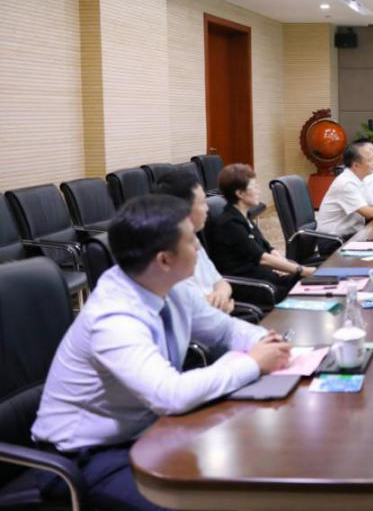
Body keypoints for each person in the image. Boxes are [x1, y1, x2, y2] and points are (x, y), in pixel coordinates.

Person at [32, 194, 292, 511]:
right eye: (191, 241)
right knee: (206, 501)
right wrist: (252, 362)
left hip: (147, 431)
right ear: (164, 260)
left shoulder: (169, 286)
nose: (199, 248)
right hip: (83, 458)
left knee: (248, 462)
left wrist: (265, 339)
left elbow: (224, 330)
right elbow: (170, 395)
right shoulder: (114, 317)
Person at [207, 163, 314, 301]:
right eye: (254, 187)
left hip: (266, 278)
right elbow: (262, 258)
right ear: (239, 193)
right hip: (253, 285)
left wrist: (281, 262)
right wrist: (301, 270)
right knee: (305, 286)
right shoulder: (229, 223)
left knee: (310, 281)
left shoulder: (243, 216)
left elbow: (267, 247)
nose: (259, 191)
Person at [155, 169, 234, 314]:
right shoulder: (162, 255)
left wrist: (221, 296)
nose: (207, 208)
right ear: (182, 210)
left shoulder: (192, 238)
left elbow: (221, 282)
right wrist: (217, 307)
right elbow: (186, 309)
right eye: (202, 203)